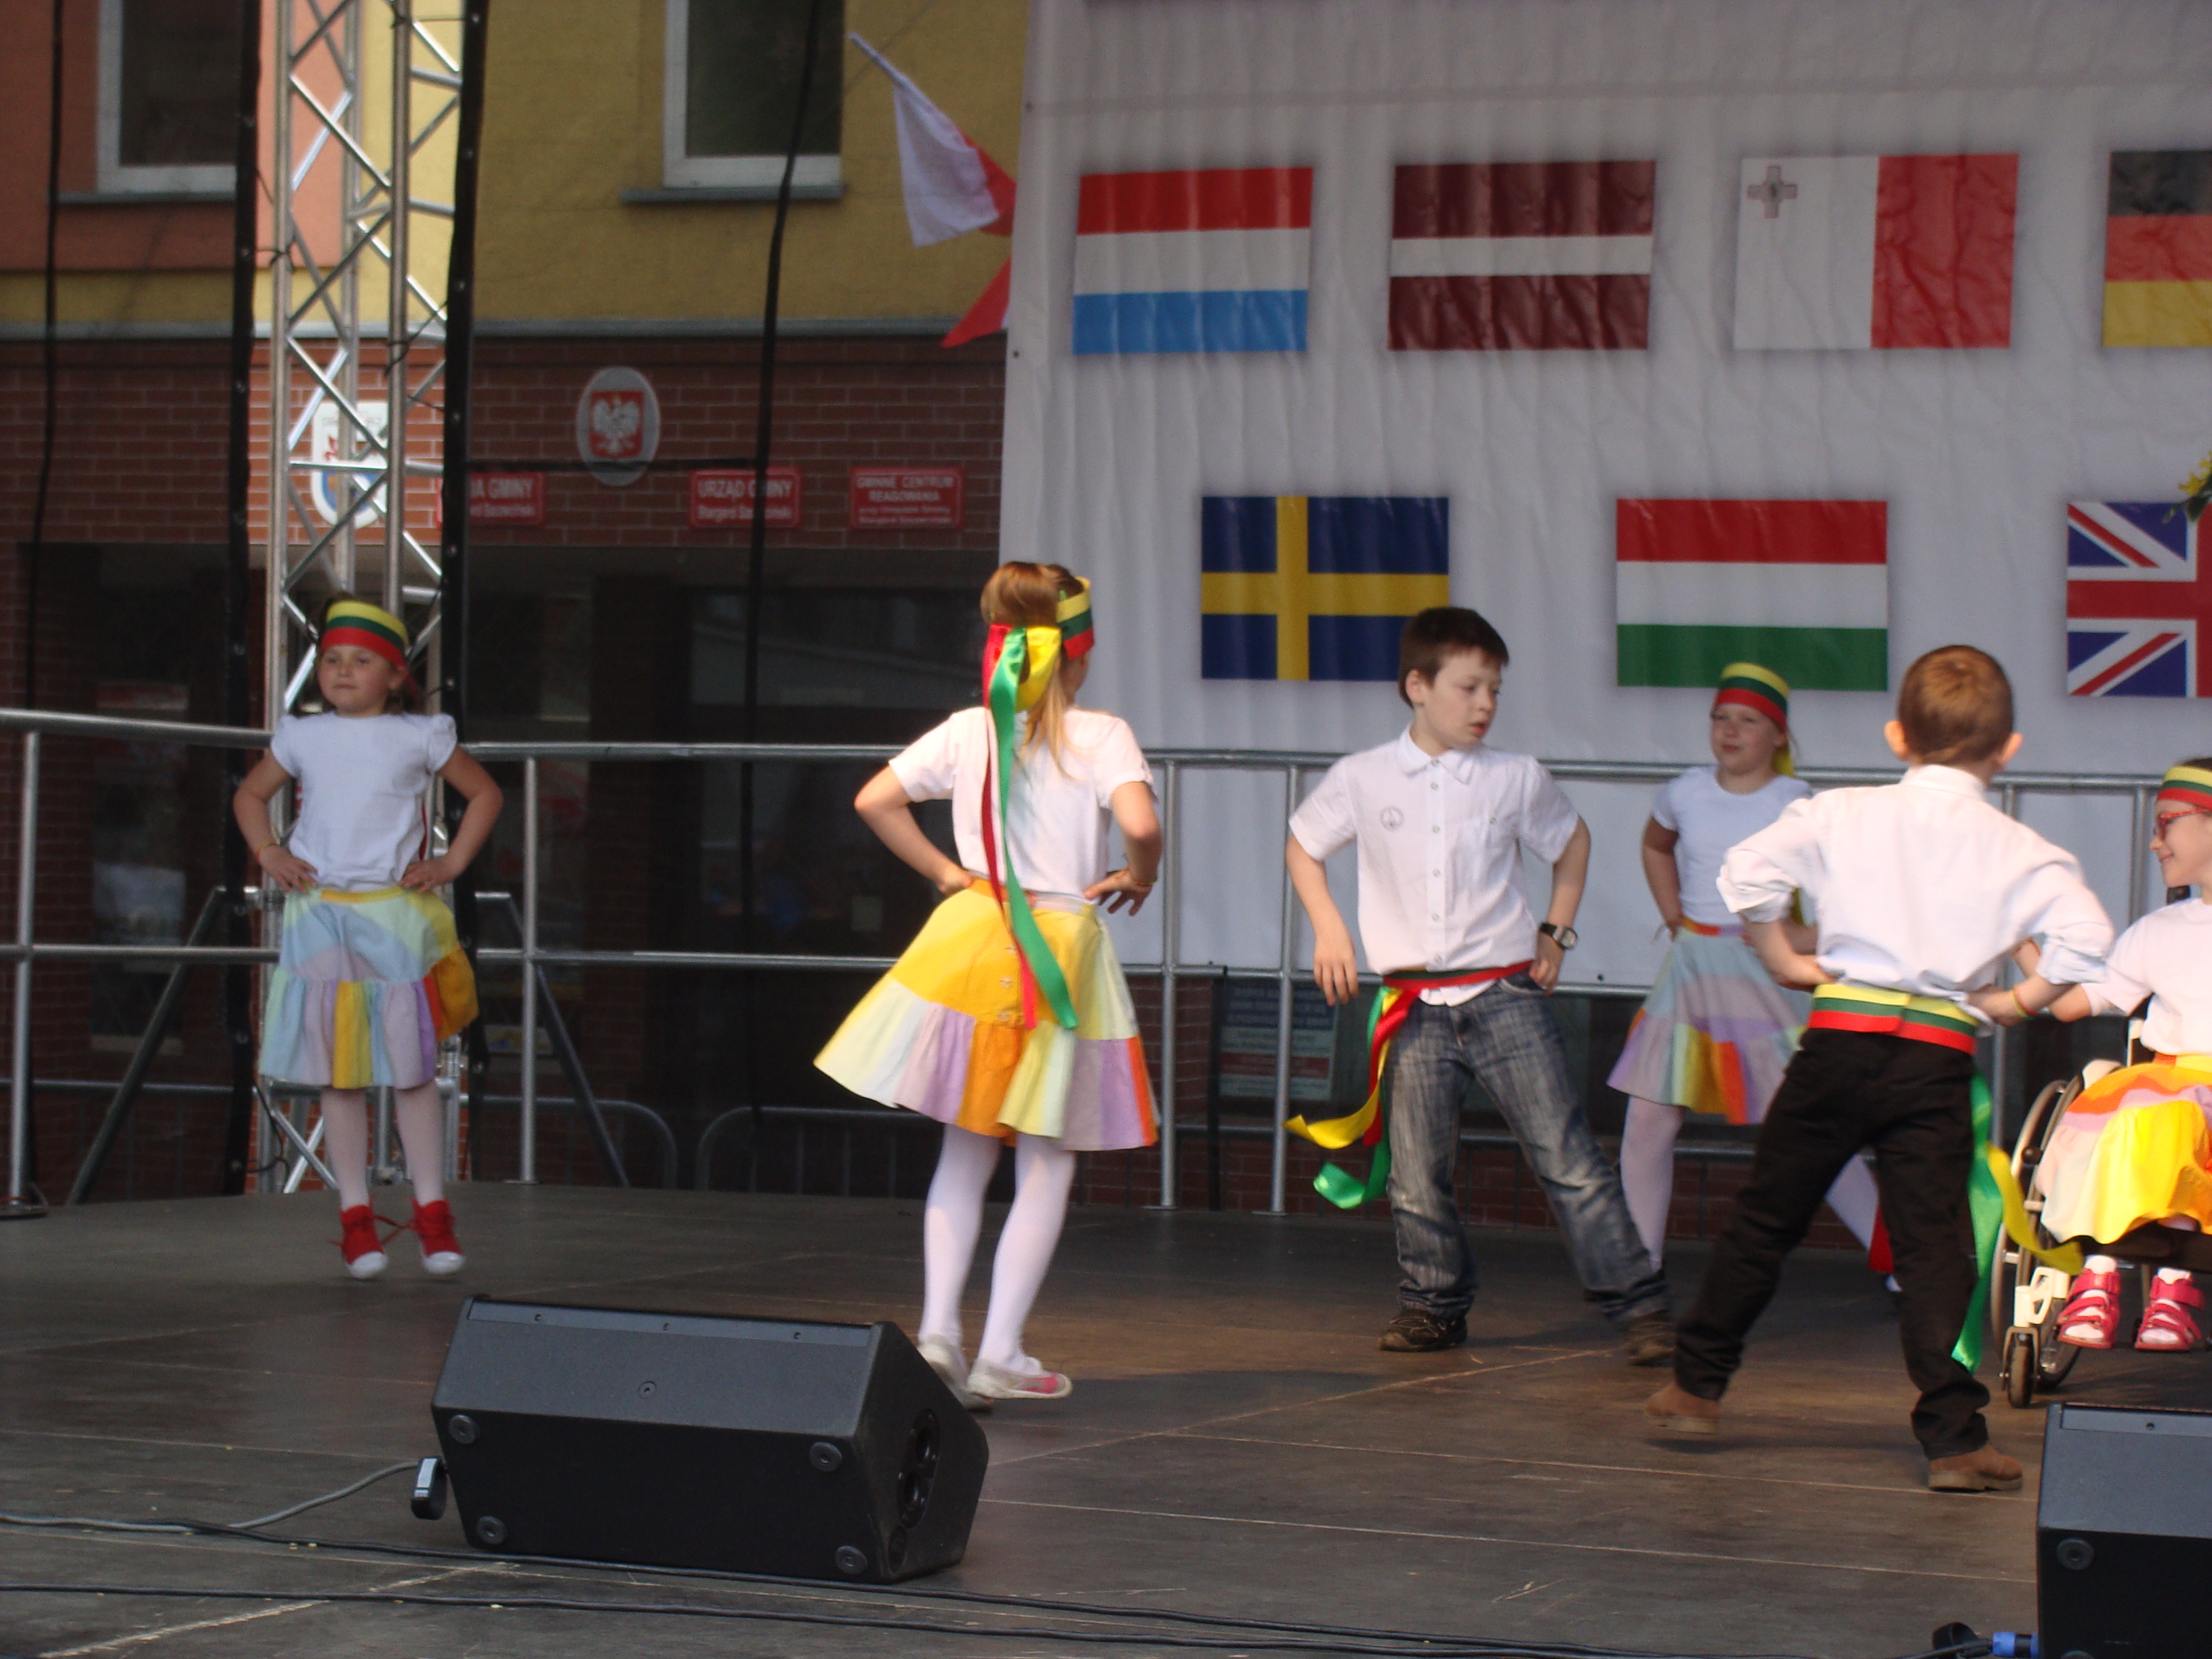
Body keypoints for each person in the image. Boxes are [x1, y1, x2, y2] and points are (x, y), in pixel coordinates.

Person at [1647, 646, 2112, 1493]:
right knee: (1933, 1247)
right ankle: (1954, 1441)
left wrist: (1781, 957)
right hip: (1935, 1056)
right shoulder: (2021, 848)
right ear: (2008, 749)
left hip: (1840, 1041)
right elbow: (2087, 940)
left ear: (1899, 736)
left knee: (1767, 1217)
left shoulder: (1842, 813)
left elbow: (1746, 872)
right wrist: (2018, 1001)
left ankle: (1696, 1387)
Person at [1286, 605, 1672, 1364]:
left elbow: (1572, 842)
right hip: (1412, 1006)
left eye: (1494, 689)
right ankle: (1433, 1304)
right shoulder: (1363, 776)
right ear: (1418, 687)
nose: (1485, 704)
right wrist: (1328, 928)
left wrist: (1556, 931)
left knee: (1566, 1156)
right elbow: (1304, 843)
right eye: (1469, 688)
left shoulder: (1514, 777)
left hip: (1503, 996)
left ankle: (1640, 1304)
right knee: (1415, 1173)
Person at [817, 563, 1160, 1408]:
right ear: (1078, 655)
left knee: (965, 1149)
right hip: (1060, 945)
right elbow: (1142, 824)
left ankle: (938, 1334)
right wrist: (1139, 872)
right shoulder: (1102, 736)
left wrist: (945, 873)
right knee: (1046, 1159)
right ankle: (1000, 1349)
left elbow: (874, 800)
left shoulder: (969, 730)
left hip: (975, 933)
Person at [234, 595, 503, 1280]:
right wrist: (269, 851)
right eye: (331, 660)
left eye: (361, 661)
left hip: (392, 914)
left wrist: (451, 864)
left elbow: (485, 793)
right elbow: (249, 795)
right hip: (320, 913)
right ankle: (355, 1217)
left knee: (412, 1068)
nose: (343, 671)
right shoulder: (302, 735)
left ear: (394, 675)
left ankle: (433, 1213)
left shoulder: (421, 735)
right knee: (339, 1070)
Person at [1610, 663, 1883, 1270]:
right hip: (1692, 972)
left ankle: (1894, 1260)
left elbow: (1842, 885)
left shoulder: (1794, 802)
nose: (1730, 731)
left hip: (1765, 973)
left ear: (1779, 735)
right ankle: (1638, 1269)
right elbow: (1656, 845)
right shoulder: (1685, 791)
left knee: (1812, 1126)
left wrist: (1805, 936)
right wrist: (1675, 915)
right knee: (1649, 1118)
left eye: (1749, 721)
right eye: (1721, 718)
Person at [2010, 758, 2212, 1351]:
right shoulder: (2159, 930)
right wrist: (2018, 942)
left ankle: (2165, 1287)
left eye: (2167, 823)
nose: (2155, 842)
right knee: (2126, 1110)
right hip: (2167, 1084)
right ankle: (2103, 1278)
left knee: (2165, 1116)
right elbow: (2072, 1004)